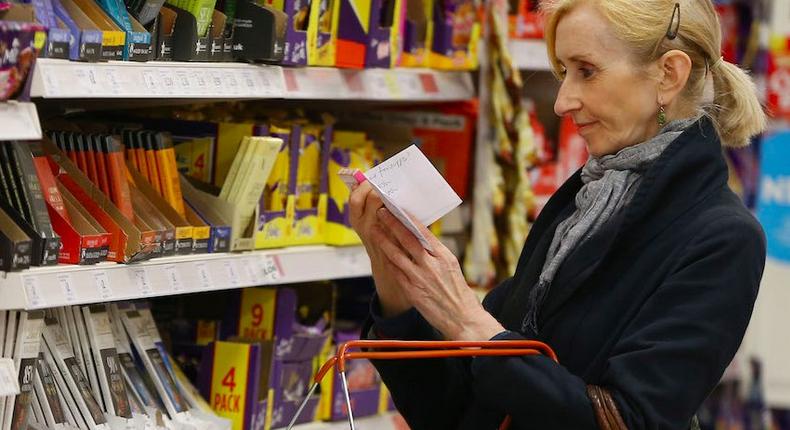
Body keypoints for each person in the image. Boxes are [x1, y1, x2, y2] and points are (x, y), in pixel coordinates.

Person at [348, 0, 767, 428]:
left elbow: (632, 420)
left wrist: (469, 323)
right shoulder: (580, 209)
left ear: (668, 75)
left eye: (586, 70)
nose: (562, 102)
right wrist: (394, 270)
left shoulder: (722, 237)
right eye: (563, 73)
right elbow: (453, 413)